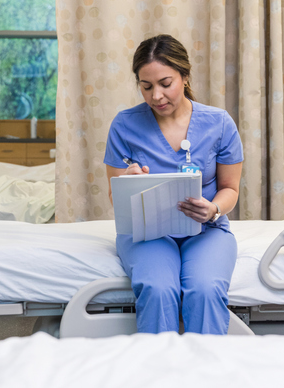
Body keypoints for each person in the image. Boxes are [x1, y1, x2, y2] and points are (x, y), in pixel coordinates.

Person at [104, 34, 244, 335]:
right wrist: (126, 181)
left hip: (206, 232)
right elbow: (116, 196)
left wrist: (214, 208)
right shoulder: (124, 125)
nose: (156, 96)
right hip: (147, 234)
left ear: (185, 75)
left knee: (206, 290)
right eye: (147, 86)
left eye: (165, 83)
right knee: (157, 289)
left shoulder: (219, 124)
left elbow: (230, 189)